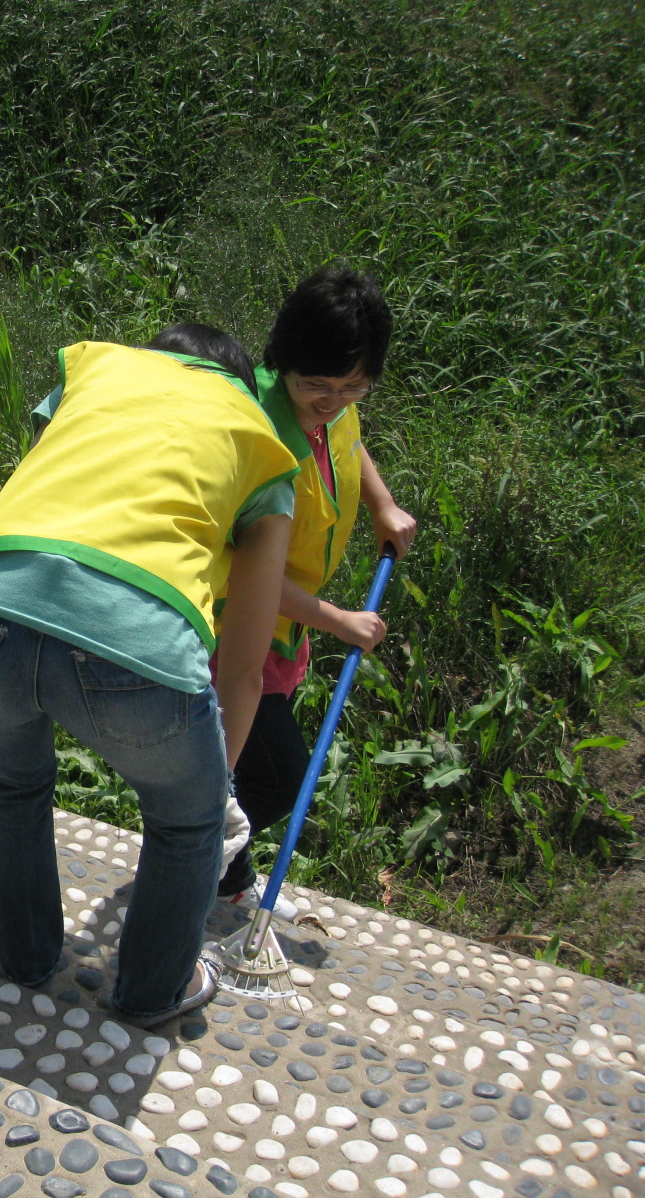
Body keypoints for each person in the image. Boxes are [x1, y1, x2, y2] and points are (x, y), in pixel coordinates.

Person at [0, 323, 298, 1028]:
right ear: (241, 388)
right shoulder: (260, 441)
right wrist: (212, 788)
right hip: (137, 650)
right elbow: (247, 666)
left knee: (10, 779)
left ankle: (24, 964)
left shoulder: (95, 373)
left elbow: (46, 494)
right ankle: (150, 997)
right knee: (187, 823)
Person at [216, 268, 418, 918]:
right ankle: (191, 852)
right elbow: (248, 571)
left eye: (354, 387)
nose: (334, 401)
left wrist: (383, 505)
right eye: (319, 387)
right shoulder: (260, 429)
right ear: (286, 361)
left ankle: (219, 874)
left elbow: (349, 439)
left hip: (284, 628)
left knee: (238, 769)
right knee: (276, 776)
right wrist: (338, 620)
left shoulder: (331, 400)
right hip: (233, 630)